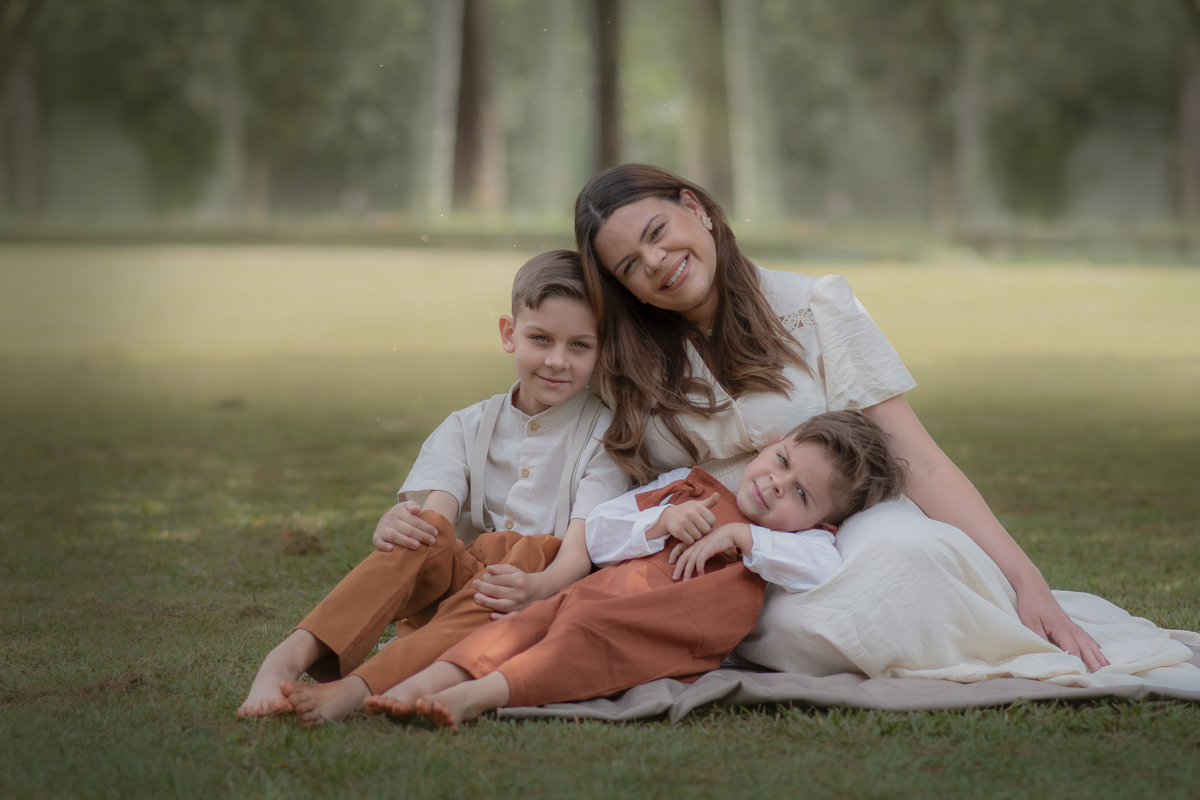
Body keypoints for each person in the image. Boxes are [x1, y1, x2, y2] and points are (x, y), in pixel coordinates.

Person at [565, 163, 1107, 673]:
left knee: (904, 556)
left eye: (658, 232)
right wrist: (557, 568)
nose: (655, 262)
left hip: (848, 531)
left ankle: (948, 611)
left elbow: (919, 461)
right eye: (630, 265)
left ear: (695, 206)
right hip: (718, 558)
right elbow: (600, 472)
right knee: (775, 617)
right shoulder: (621, 360)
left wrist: (1029, 581)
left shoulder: (816, 305)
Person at [236, 250, 629, 725]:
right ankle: (287, 657)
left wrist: (536, 587)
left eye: (579, 346)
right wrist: (399, 524)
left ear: (601, 350)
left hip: (538, 598)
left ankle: (356, 688)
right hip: (452, 598)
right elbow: (437, 521)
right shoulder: (467, 425)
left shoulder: (605, 438)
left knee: (530, 550)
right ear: (509, 334)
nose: (556, 361)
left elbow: (575, 557)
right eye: (540, 339)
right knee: (422, 531)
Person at [365, 410, 907, 730]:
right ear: (771, 445)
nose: (774, 485)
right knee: (523, 623)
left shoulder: (804, 543)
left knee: (579, 641)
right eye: (783, 463)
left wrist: (744, 536)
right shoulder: (687, 484)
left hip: (667, 628)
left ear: (821, 518)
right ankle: (424, 682)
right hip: (598, 590)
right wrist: (661, 521)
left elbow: (823, 568)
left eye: (801, 494)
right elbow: (599, 532)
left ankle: (472, 697)